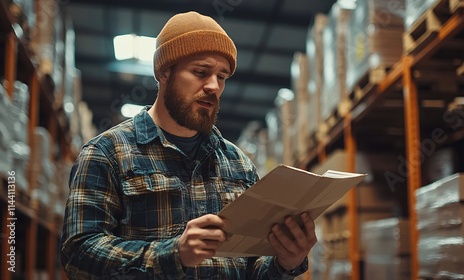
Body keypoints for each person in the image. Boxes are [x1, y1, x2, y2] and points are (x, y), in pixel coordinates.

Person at [60, 11, 317, 279]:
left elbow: (252, 268)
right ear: (164, 72)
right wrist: (174, 255)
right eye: (200, 72)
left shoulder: (239, 165)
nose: (213, 86)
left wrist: (285, 262)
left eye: (222, 76)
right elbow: (78, 253)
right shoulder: (106, 153)